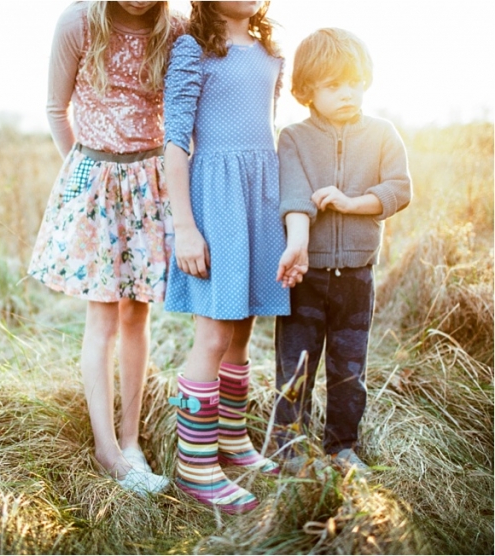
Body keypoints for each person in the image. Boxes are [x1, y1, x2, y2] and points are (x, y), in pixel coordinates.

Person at [29, 1, 185, 495]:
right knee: (102, 317)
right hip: (96, 182)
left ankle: (131, 439)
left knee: (137, 314)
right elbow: (57, 108)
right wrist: (86, 175)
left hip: (149, 184)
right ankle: (106, 450)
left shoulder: (175, 29)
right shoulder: (78, 22)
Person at [163, 1, 299, 514]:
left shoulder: (270, 50)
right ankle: (195, 466)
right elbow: (176, 142)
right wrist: (184, 226)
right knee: (214, 332)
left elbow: (267, 128)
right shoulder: (191, 49)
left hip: (259, 197)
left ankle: (233, 441)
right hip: (214, 201)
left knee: (243, 329)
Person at [274, 28, 412, 474]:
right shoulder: (293, 138)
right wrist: (299, 245)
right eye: (334, 85)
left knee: (349, 369)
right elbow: (293, 195)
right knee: (296, 367)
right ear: (306, 89)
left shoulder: (383, 133)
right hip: (307, 277)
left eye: (354, 81)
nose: (347, 93)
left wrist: (354, 203)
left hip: (356, 275)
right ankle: (289, 450)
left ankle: (341, 447)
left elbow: (398, 189)